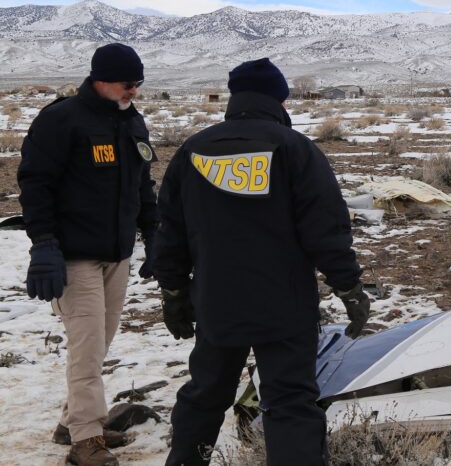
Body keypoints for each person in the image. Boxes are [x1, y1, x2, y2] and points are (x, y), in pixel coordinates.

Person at [153, 58, 368, 466]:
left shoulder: (193, 150)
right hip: (284, 304)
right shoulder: (294, 149)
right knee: (289, 402)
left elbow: (170, 232)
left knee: (206, 395)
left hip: (217, 302)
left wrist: (174, 291)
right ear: (279, 100)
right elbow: (326, 229)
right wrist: (349, 287)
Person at [18, 42, 157, 466]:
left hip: (116, 254)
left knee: (97, 345)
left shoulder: (132, 123)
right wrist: (43, 244)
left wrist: (155, 237)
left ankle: (73, 422)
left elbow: (142, 187)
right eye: (126, 83)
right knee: (87, 346)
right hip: (73, 256)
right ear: (100, 79)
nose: (133, 90)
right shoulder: (61, 120)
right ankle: (85, 442)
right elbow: (35, 184)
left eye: (138, 83)